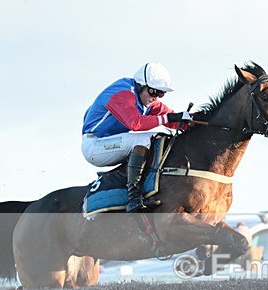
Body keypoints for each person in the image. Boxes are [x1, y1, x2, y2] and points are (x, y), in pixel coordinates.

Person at [81, 62, 192, 213]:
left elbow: (174, 119)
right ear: (141, 85)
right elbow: (136, 123)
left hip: (112, 142)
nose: (156, 98)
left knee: (156, 137)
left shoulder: (146, 101)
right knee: (147, 139)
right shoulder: (124, 93)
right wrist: (170, 117)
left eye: (161, 94)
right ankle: (133, 197)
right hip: (95, 146)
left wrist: (195, 121)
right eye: (154, 92)